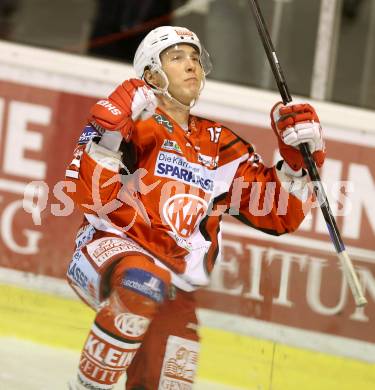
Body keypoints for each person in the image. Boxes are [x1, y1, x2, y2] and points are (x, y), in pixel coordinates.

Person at [65, 26, 325, 390]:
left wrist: (299, 163)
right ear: (150, 74)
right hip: (107, 250)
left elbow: (280, 214)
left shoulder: (220, 144)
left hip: (175, 281)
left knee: (169, 378)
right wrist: (108, 136)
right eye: (176, 57)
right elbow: (90, 196)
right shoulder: (131, 123)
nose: (191, 65)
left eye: (195, 58)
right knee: (142, 282)